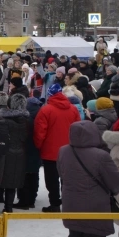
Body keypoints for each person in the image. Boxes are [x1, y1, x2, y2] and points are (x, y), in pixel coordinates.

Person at [58, 120, 119, 237]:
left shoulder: (63, 151)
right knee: (94, 236)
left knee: (75, 235)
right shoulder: (101, 155)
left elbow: (62, 173)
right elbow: (115, 181)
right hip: (95, 206)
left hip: (71, 204)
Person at [34, 83, 80, 212]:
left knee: (52, 179)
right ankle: (68, 203)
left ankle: (54, 203)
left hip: (50, 151)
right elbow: (78, 130)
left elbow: (40, 132)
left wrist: (39, 146)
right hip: (69, 150)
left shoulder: (46, 110)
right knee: (67, 179)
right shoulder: (73, 109)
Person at [0, 94, 30, 213]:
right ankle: (9, 207)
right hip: (21, 152)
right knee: (13, 181)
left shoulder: (4, 120)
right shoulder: (27, 120)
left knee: (1, 178)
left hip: (6, 152)